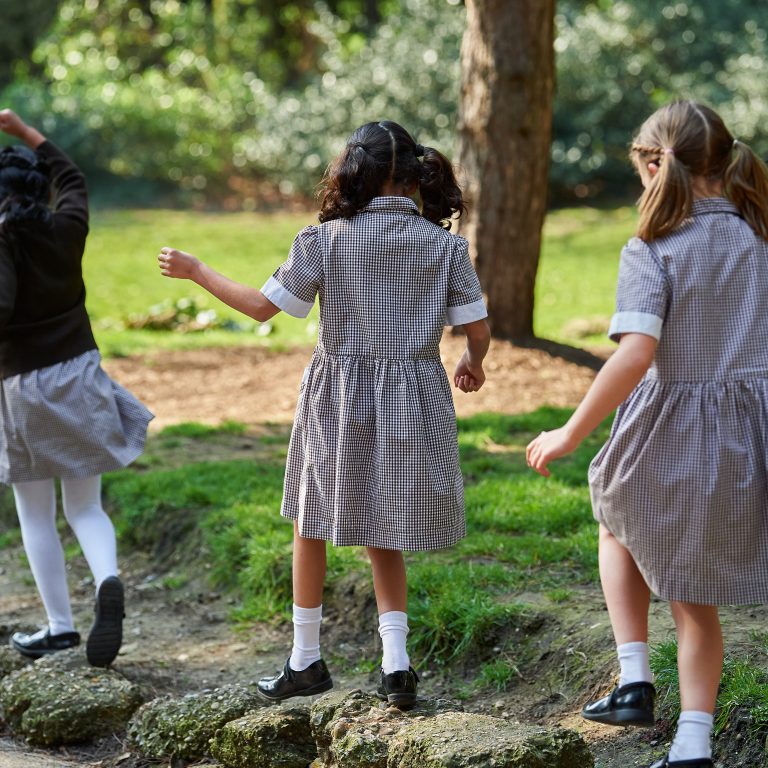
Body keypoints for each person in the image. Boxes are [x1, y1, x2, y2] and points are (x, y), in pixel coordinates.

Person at [157, 119, 490, 707]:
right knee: (385, 524)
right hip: (414, 391)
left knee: (310, 520)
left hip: (339, 390)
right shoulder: (444, 247)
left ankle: (305, 659)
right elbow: (478, 330)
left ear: (352, 172)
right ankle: (396, 666)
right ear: (415, 175)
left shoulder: (325, 241)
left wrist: (198, 271)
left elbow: (263, 308)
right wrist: (472, 362)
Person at [526, 100, 768, 768]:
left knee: (626, 526)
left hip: (676, 423)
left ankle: (667, 716)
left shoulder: (653, 247)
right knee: (662, 560)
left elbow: (635, 354)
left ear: (658, 163)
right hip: (753, 426)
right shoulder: (761, 237)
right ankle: (646, 697)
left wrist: (572, 431)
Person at [0, 109, 153, 667]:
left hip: (23, 388)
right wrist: (24, 131)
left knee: (35, 512)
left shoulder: (3, 245)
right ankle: (107, 579)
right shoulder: (67, 228)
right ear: (41, 191)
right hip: (81, 376)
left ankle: (60, 627)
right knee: (85, 507)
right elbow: (74, 178)